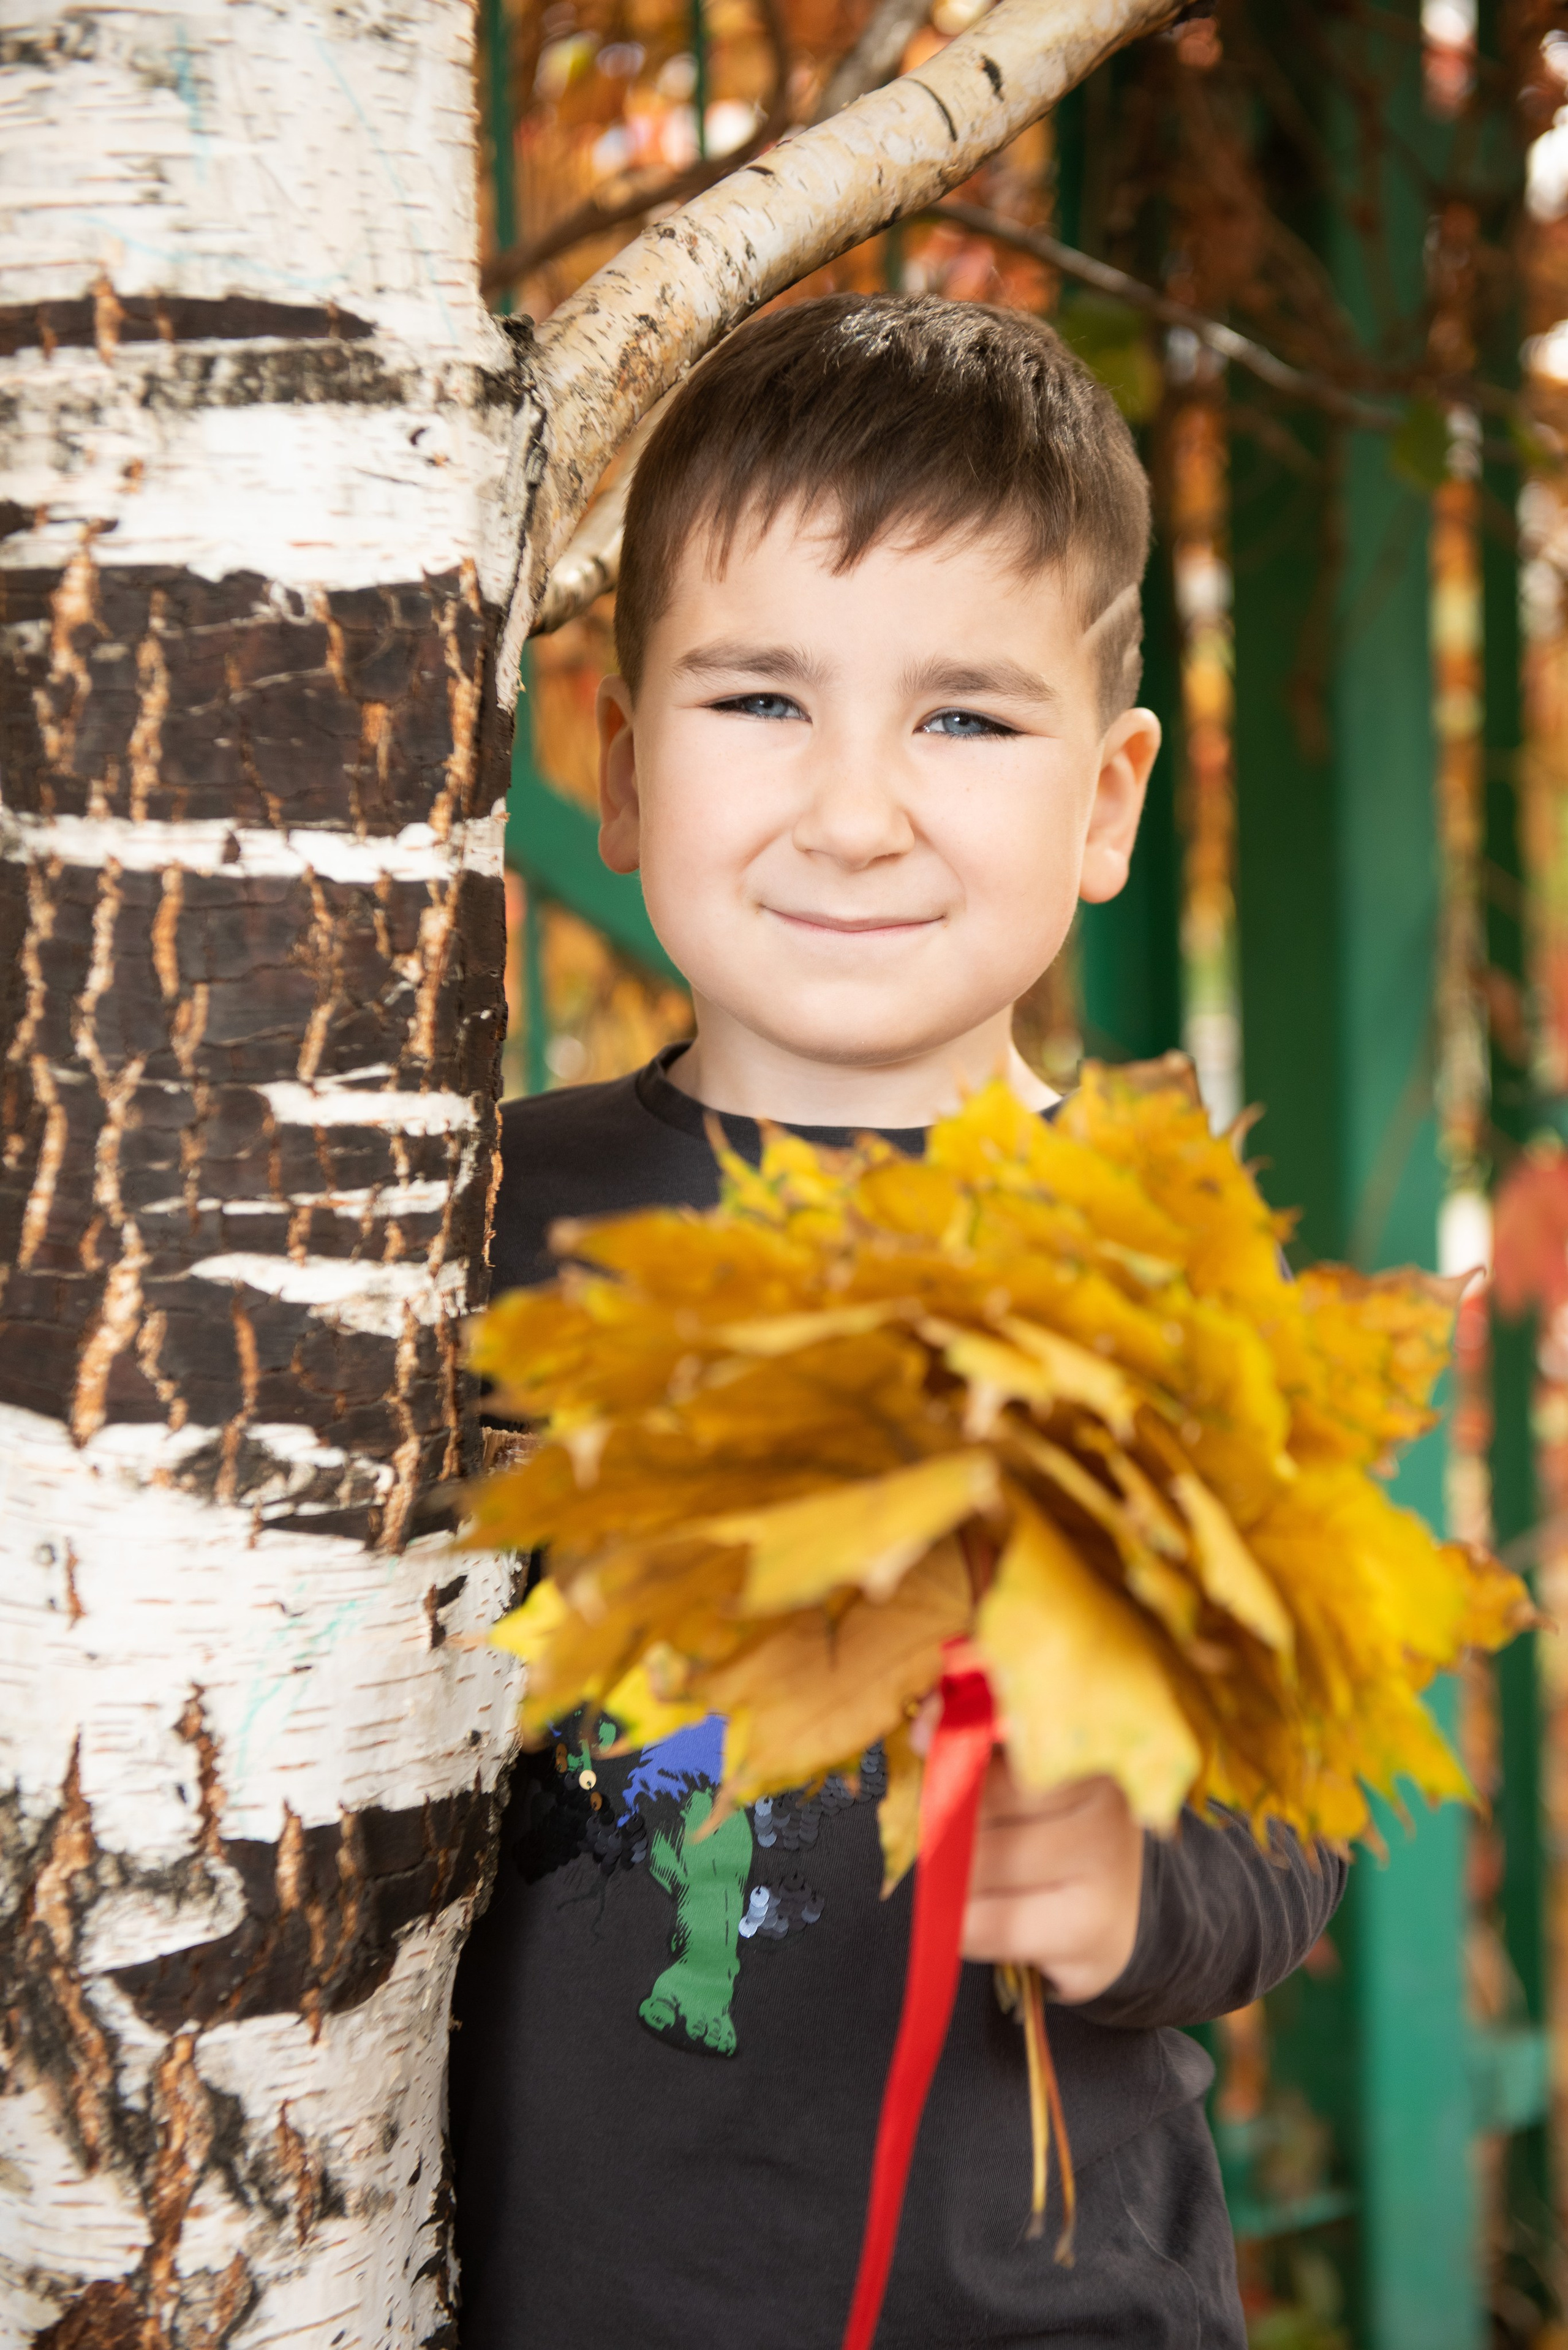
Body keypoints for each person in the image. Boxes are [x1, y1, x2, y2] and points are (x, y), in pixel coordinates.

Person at [450, 293, 1345, 2348]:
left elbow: (1303, 1811)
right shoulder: (471, 1223)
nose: (854, 810)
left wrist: (1141, 1894)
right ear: (621, 762)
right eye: (762, 701)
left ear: (1109, 799)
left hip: (1035, 2309)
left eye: (963, 719)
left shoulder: (1165, 1274)